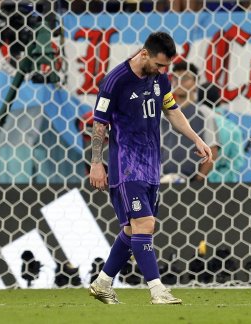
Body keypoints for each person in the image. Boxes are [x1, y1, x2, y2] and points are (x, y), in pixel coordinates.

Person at [88, 32, 213, 305]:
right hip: (126, 165)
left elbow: (172, 111)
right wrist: (97, 163)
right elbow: (99, 124)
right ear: (144, 54)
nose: (161, 71)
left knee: (134, 230)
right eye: (158, 65)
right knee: (145, 223)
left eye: (164, 67)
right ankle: (158, 290)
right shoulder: (115, 81)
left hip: (151, 165)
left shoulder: (160, 78)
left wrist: (197, 139)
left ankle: (102, 282)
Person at [160, 61, 218, 183]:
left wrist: (198, 180)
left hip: (191, 183)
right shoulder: (163, 114)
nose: (179, 81)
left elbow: (212, 150)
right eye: (175, 78)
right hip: (162, 181)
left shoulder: (205, 114)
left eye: (185, 78)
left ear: (195, 83)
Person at [198, 82, 246, 183]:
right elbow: (238, 161)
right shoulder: (232, 128)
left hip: (195, 180)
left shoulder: (192, 122)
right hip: (224, 184)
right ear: (219, 99)